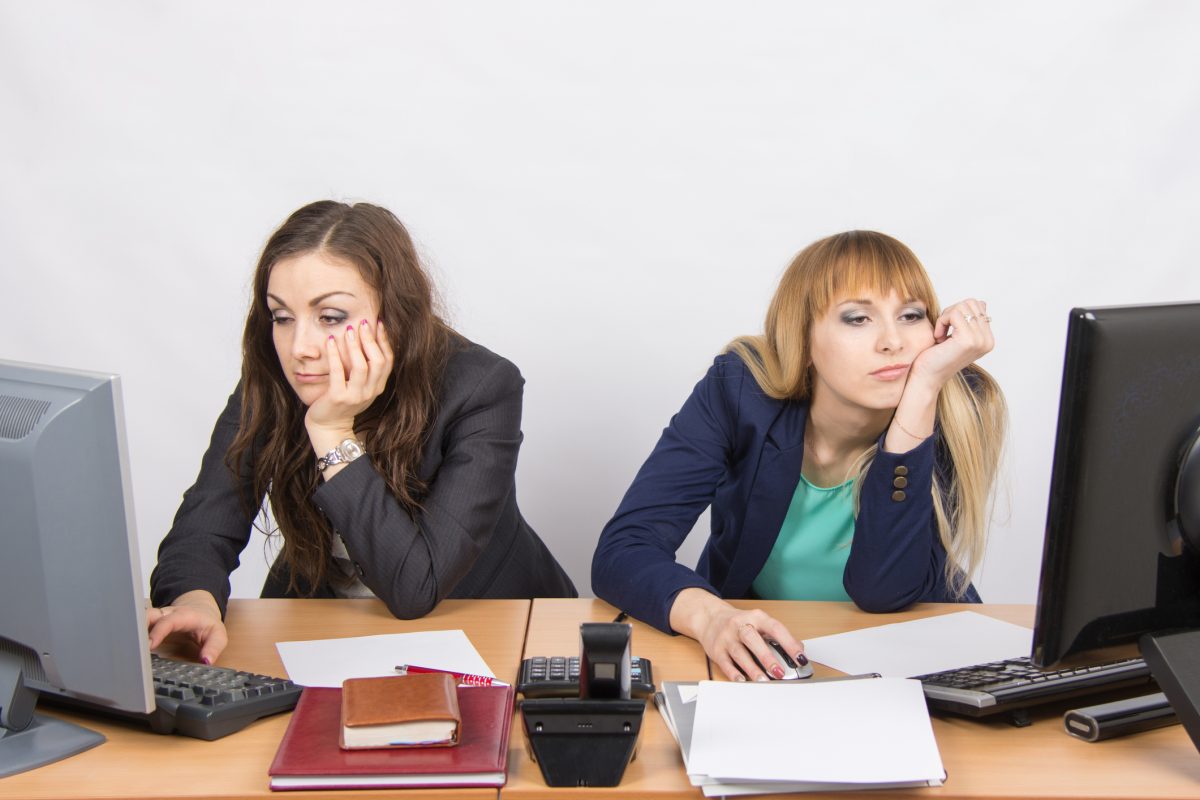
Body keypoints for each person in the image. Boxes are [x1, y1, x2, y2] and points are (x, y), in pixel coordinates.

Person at [148, 201, 576, 663]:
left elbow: (416, 587)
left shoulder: (480, 386)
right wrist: (195, 601)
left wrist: (332, 432)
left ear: (394, 313)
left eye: (330, 317)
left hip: (489, 625)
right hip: (329, 623)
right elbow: (204, 526)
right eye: (282, 317)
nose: (300, 348)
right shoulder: (274, 381)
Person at [591, 230, 1006, 683]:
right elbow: (624, 549)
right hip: (777, 655)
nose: (893, 342)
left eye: (910, 315)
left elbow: (883, 590)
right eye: (857, 319)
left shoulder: (953, 404)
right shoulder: (740, 390)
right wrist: (711, 618)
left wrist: (923, 389)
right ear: (803, 338)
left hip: (921, 653)